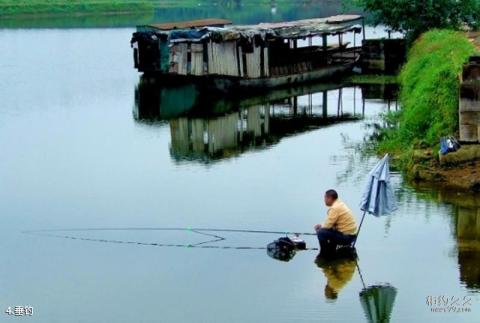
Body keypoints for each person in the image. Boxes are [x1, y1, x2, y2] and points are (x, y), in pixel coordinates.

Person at [314, 189, 357, 255]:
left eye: (325, 197)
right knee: (330, 229)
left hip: (347, 237)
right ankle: (332, 249)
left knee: (321, 232)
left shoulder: (335, 208)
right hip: (352, 236)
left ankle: (324, 253)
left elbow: (327, 225)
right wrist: (322, 225)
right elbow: (330, 223)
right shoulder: (339, 203)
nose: (324, 200)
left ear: (330, 198)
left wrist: (319, 227)